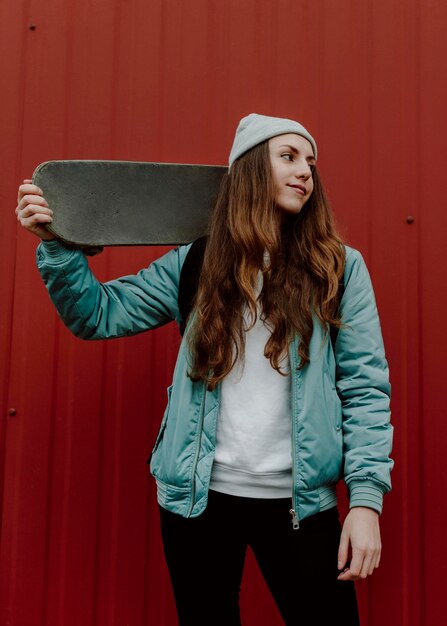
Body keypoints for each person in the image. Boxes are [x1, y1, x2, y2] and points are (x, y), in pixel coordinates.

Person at [16, 113, 393, 626]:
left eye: (311, 162)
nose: (306, 171)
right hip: (197, 501)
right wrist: (58, 244)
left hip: (301, 505)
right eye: (288, 157)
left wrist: (366, 503)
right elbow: (96, 315)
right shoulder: (195, 262)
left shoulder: (340, 270)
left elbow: (366, 389)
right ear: (250, 170)